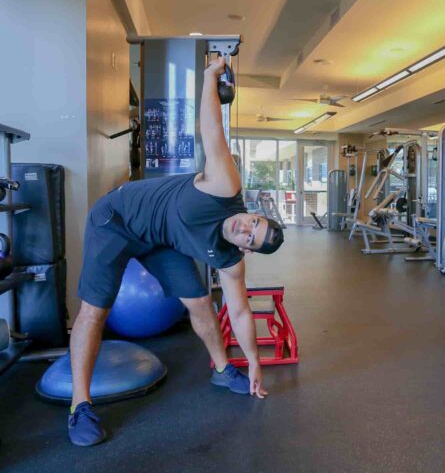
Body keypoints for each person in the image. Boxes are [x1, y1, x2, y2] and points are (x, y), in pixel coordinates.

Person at [67, 56, 284, 446]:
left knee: (200, 302)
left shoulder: (229, 260)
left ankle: (222, 369)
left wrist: (253, 362)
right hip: (115, 219)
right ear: (251, 212)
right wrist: (208, 77)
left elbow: (239, 310)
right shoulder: (224, 186)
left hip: (161, 240)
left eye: (250, 237)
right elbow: (210, 129)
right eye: (253, 222)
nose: (245, 229)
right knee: (94, 311)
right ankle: (79, 405)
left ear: (245, 250)